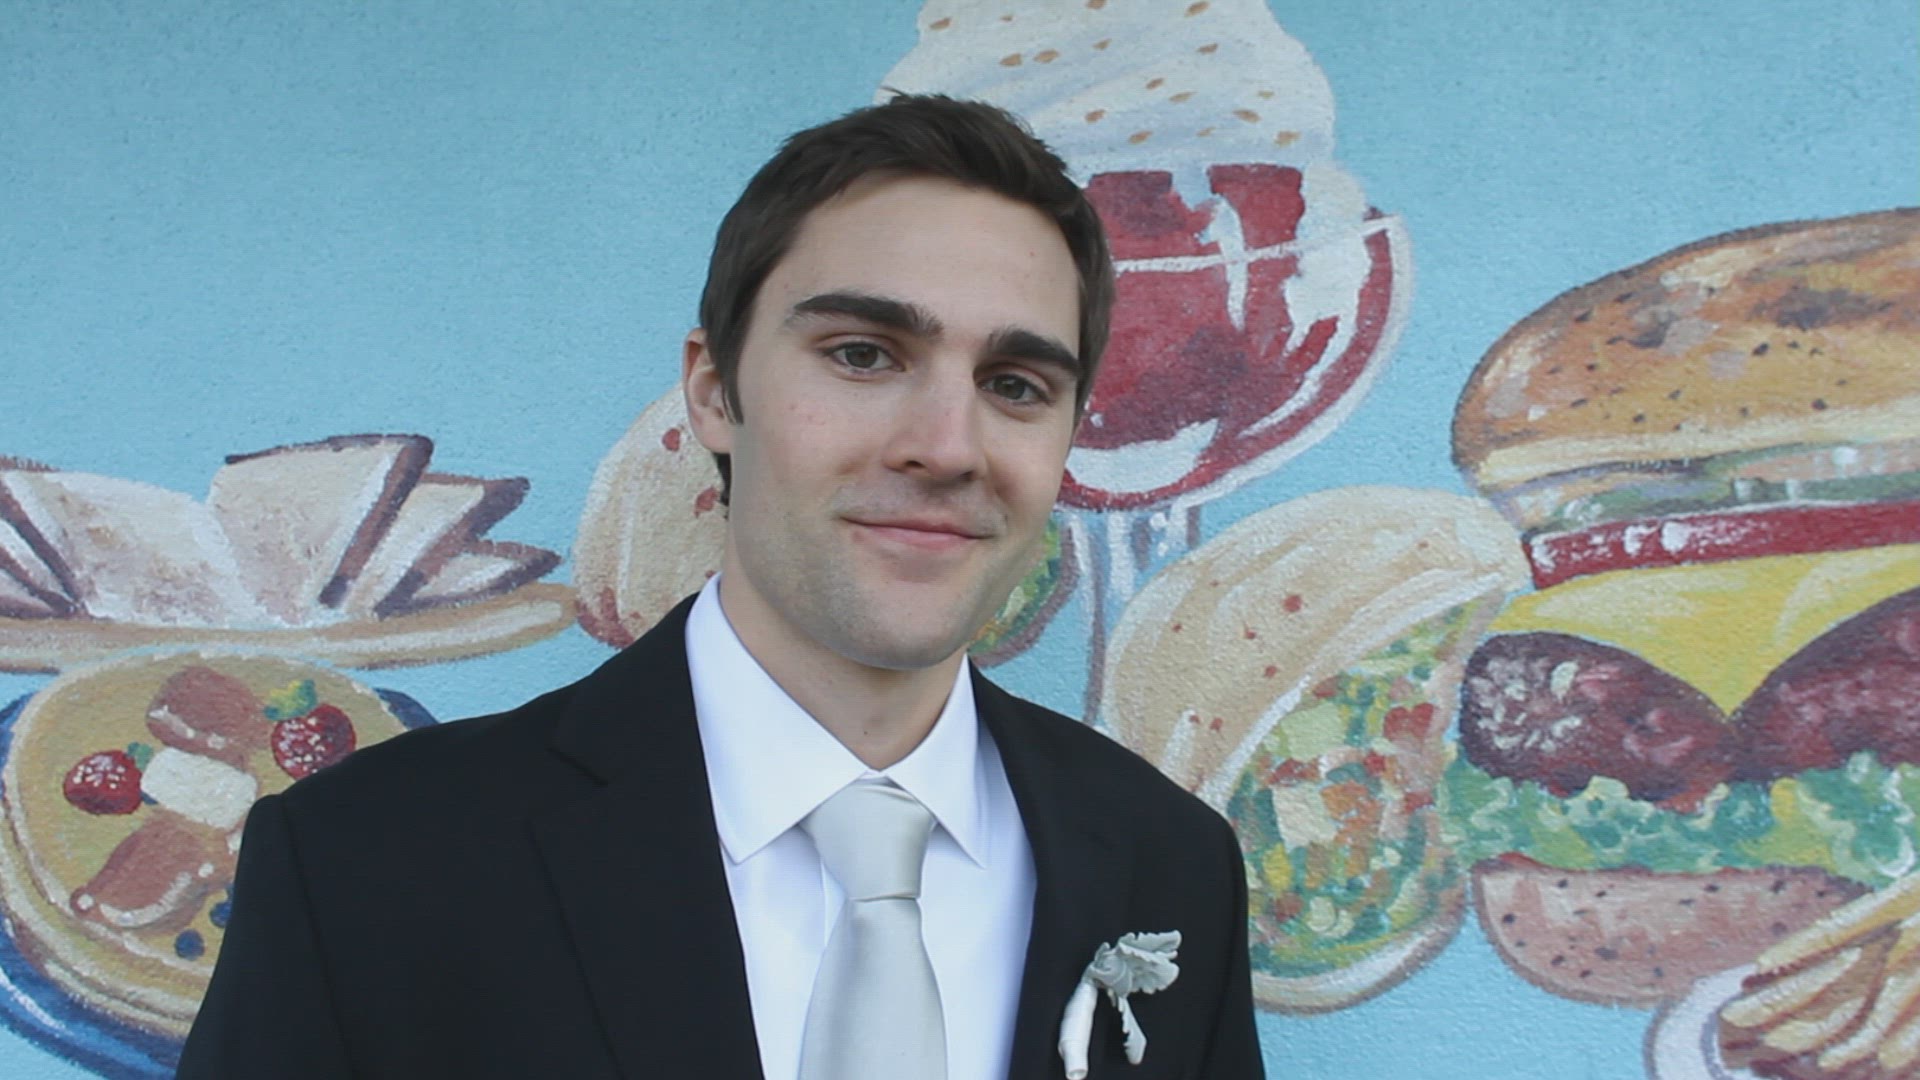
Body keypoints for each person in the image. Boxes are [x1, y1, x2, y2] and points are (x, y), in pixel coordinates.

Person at [178, 94, 1262, 1080]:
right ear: (711, 389)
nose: (946, 445)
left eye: (1016, 384)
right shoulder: (366, 863)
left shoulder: (1171, 865)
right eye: (863, 354)